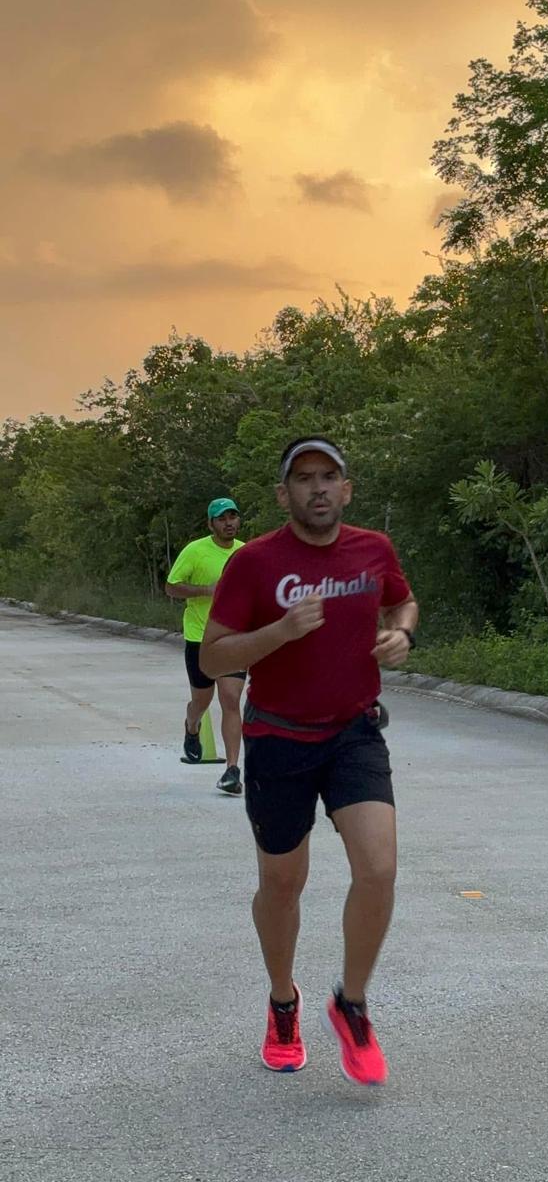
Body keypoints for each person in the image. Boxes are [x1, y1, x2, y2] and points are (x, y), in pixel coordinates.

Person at [200, 437, 418, 1085]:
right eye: (303, 479)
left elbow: (402, 599)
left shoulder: (373, 549)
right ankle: (282, 1003)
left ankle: (351, 1004)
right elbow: (213, 656)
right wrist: (281, 632)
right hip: (278, 737)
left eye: (328, 477)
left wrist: (401, 632)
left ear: (346, 489)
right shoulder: (255, 563)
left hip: (354, 733)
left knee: (378, 868)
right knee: (281, 884)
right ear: (283, 494)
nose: (317, 488)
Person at [165, 498, 246, 795]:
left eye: (232, 517)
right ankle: (192, 726)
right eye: (221, 518)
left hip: (233, 638)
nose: (228, 523)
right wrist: (205, 590)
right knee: (201, 700)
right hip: (200, 637)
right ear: (211, 524)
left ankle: (232, 770)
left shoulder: (246, 553)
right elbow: (171, 586)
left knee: (231, 699)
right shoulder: (195, 550)